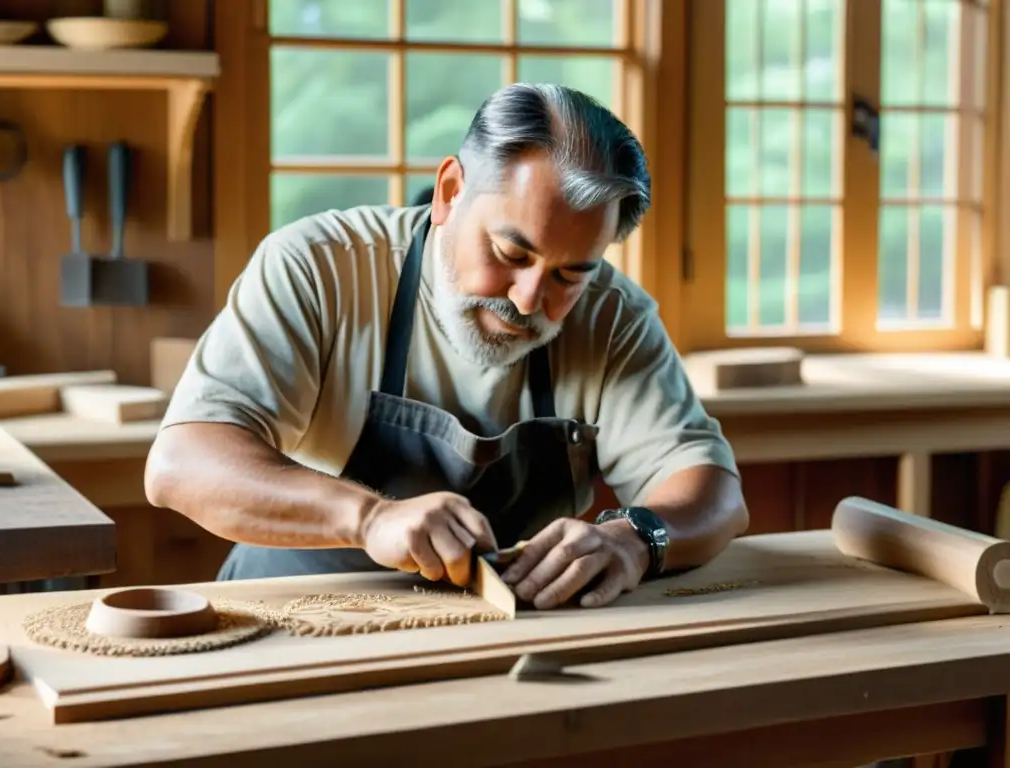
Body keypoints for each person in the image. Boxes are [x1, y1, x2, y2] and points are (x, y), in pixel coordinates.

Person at [144, 83, 749, 611]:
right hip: (294, 621)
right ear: (451, 191)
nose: (531, 298)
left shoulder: (614, 316)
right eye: (512, 254)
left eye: (571, 275)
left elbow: (712, 492)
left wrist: (636, 537)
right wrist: (370, 518)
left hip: (497, 637)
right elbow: (182, 464)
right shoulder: (318, 267)